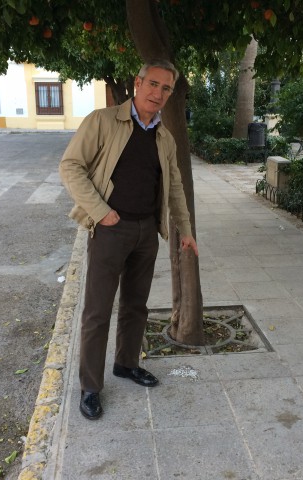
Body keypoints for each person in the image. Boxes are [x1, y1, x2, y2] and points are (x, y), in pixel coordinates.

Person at [59, 59, 199, 420]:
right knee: (97, 311)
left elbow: (175, 186)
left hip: (146, 231)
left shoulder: (164, 137)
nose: (158, 93)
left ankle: (126, 363)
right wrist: (100, 211)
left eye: (166, 88)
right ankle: (91, 386)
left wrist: (184, 230)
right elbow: (70, 166)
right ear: (138, 83)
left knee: (136, 305)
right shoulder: (103, 121)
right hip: (110, 229)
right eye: (153, 84)